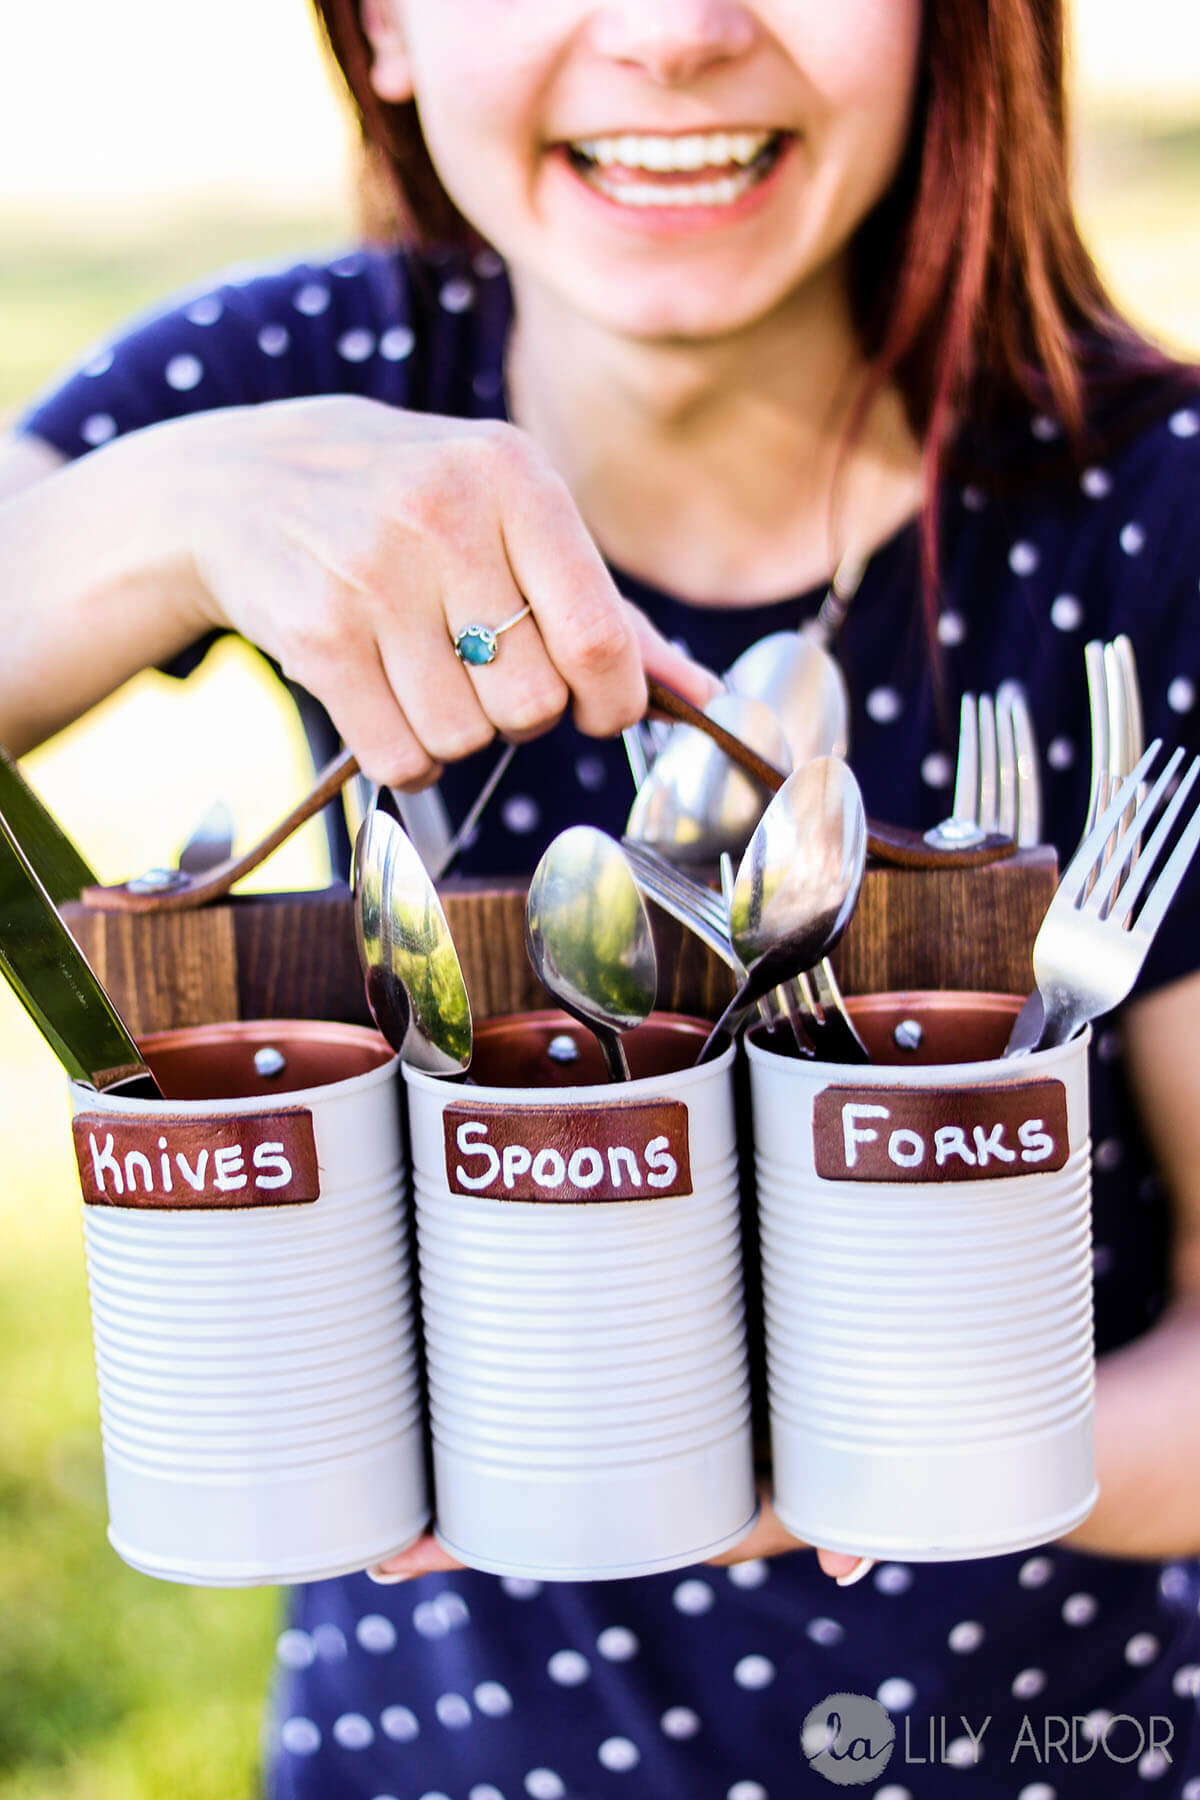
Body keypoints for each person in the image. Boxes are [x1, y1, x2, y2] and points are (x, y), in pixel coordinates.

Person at [3, 0, 1200, 1793]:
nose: (672, 33)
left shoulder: (1156, 520)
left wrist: (812, 1475)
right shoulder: (305, 383)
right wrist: (172, 509)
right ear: (385, 25)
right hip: (434, 1751)